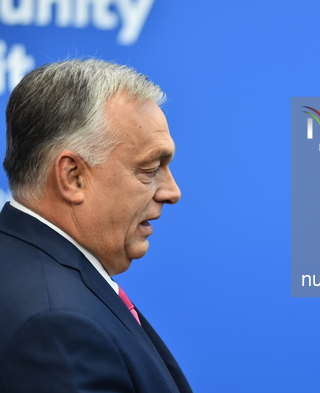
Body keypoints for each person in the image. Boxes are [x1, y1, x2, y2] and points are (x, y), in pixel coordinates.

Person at [0, 59, 193, 392]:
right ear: (73, 177)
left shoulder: (23, 268)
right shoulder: (55, 323)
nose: (173, 192)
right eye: (149, 169)